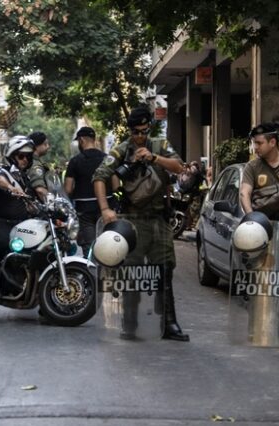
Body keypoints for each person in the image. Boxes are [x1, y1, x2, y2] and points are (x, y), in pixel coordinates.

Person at [93, 105, 189, 342]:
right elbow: (99, 176)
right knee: (131, 273)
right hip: (132, 220)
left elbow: (180, 168)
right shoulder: (121, 150)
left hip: (159, 219)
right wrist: (105, 209)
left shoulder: (160, 146)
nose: (140, 136)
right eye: (136, 132)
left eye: (144, 131)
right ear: (130, 131)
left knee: (165, 270)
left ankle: (169, 323)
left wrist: (153, 157)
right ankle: (130, 321)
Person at [0, 135, 36, 294]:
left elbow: (34, 200)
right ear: (12, 156)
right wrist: (11, 189)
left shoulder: (25, 178)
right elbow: (0, 180)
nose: (25, 159)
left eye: (28, 156)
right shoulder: (3, 172)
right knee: (0, 245)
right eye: (21, 156)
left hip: (20, 223)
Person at [65, 126, 117, 256]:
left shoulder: (75, 161)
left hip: (84, 211)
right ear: (94, 139)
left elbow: (68, 189)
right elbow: (116, 185)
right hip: (107, 209)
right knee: (107, 245)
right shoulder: (107, 159)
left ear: (82, 140)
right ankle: (106, 273)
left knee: (90, 248)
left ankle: (91, 274)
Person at [27, 131, 51, 201]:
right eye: (45, 144)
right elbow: (40, 190)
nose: (48, 146)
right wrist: (52, 204)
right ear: (36, 146)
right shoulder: (35, 164)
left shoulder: (34, 161)